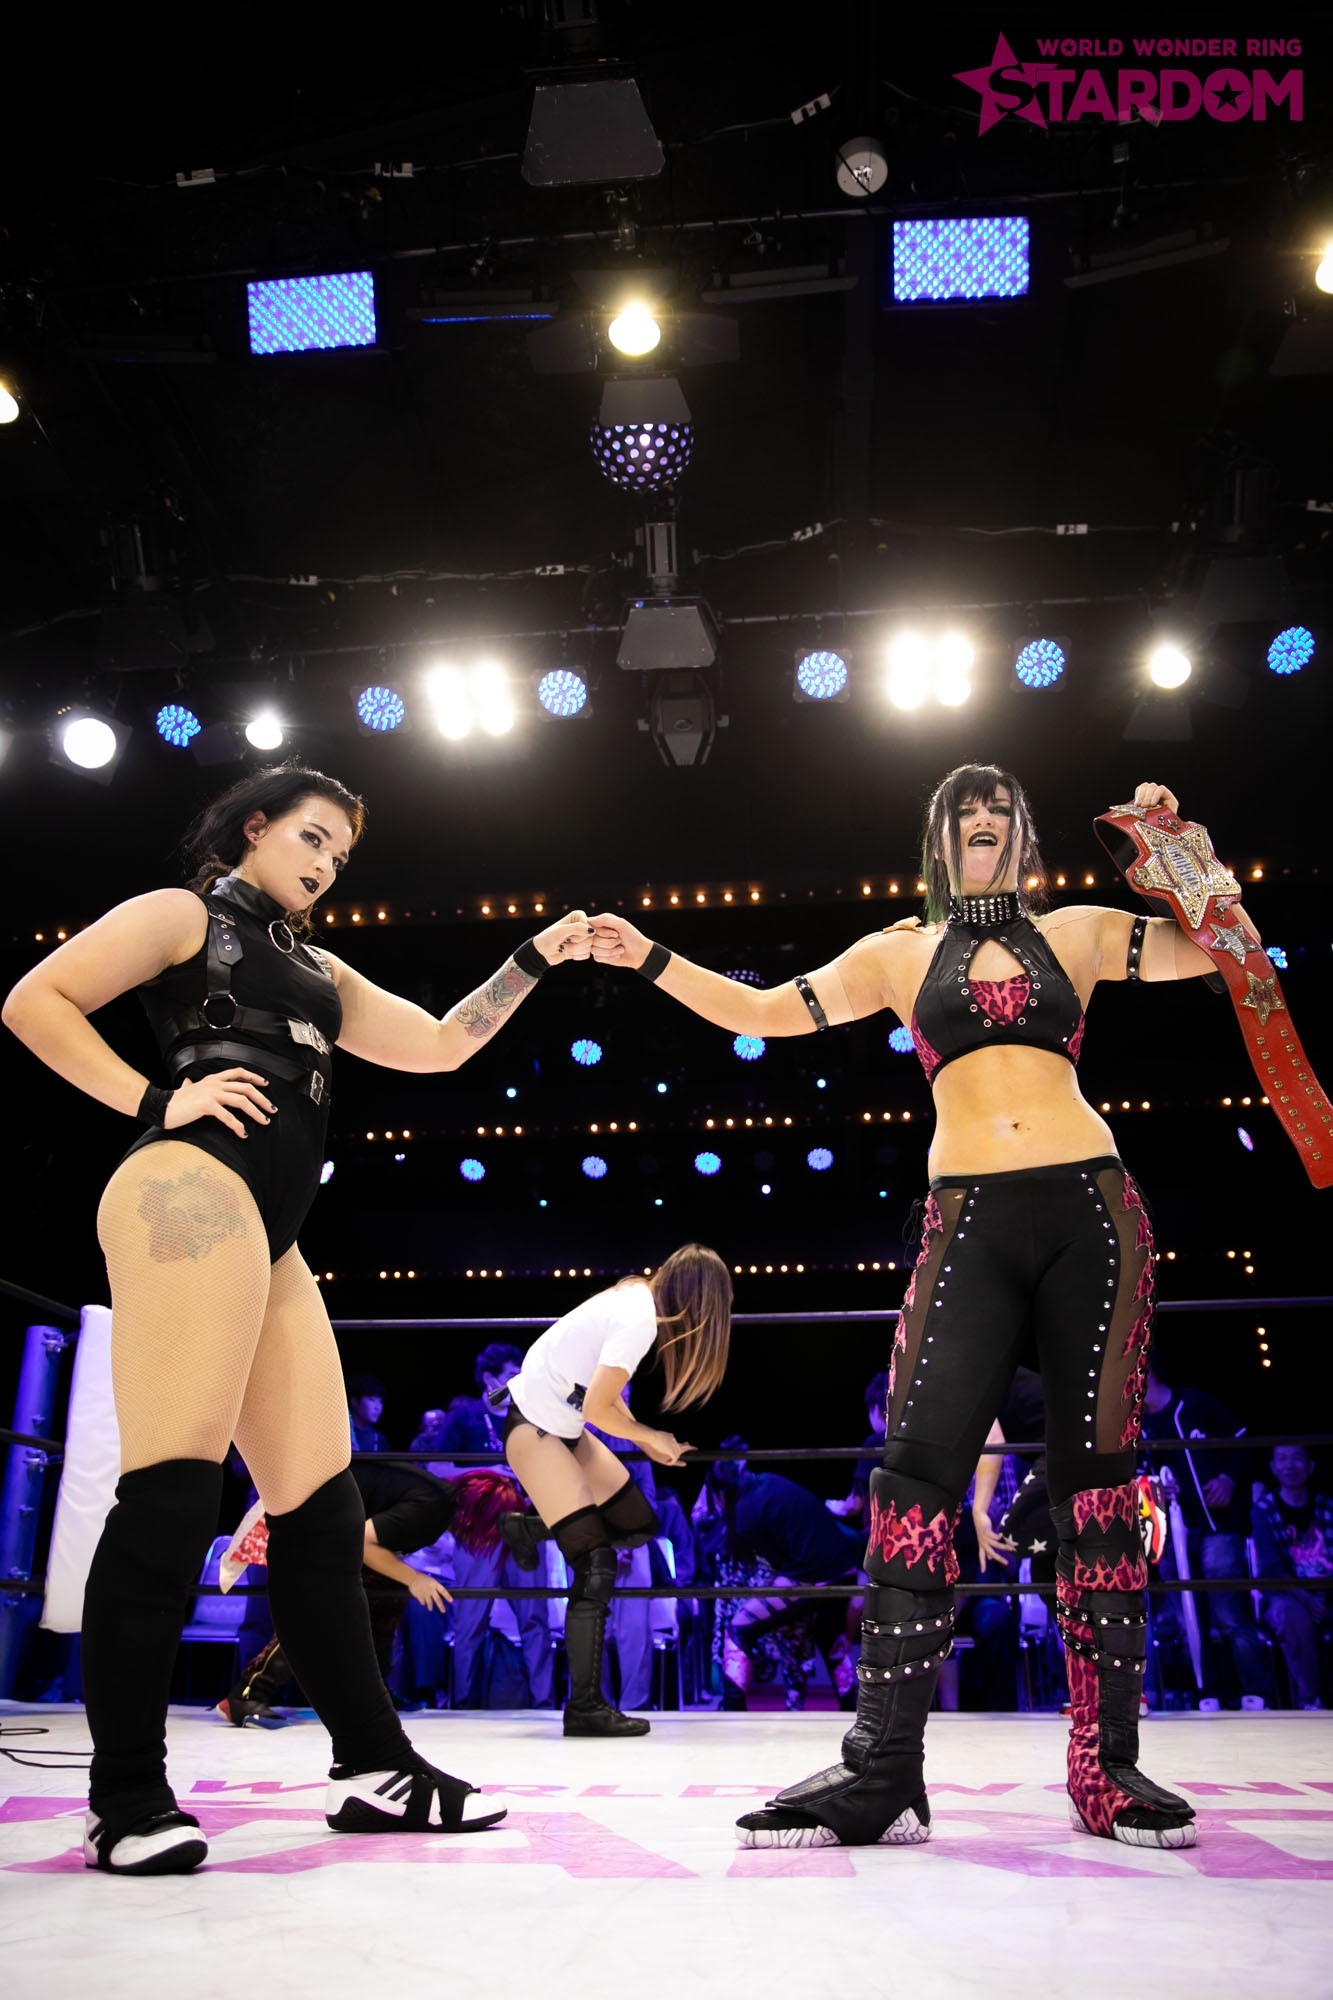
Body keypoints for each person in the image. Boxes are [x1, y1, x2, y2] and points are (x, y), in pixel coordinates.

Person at [592, 767, 1241, 1852]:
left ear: (1023, 838)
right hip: (966, 1214)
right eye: (961, 812)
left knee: (1098, 1480)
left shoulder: (1077, 931)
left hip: (1091, 1209)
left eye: (999, 810)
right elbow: (764, 1009)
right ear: (937, 841)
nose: (981, 821)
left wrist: (1179, 848)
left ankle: (1107, 1765)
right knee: (915, 1471)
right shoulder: (899, 951)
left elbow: (1220, 949)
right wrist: (651, 956)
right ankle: (882, 1767)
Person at [1, 760, 593, 1874]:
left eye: (342, 854)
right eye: (312, 837)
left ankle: (371, 1767)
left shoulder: (320, 968)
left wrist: (532, 957)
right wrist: (158, 1097)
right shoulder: (183, 914)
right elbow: (33, 1000)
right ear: (255, 827)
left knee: (322, 1513)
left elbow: (441, 1043)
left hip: (270, 1234)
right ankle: (124, 1795)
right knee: (173, 1491)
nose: (325, 865)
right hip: (188, 1184)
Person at [496, 1245, 732, 1737]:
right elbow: (599, 1410)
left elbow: (598, 1397)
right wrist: (650, 1436)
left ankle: (532, 1529)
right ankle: (584, 1707)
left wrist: (645, 1440)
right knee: (595, 1563)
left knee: (638, 1525)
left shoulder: (637, 1297)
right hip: (535, 1428)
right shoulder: (638, 1319)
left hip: (563, 1427)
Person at [414, 1343, 554, 1708]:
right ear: (490, 1378)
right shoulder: (464, 1418)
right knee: (470, 1620)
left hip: (525, 1528)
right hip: (478, 1533)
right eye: (511, 1375)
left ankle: (544, 1702)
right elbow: (436, 1469)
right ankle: (463, 1704)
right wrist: (488, 1470)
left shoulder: (532, 1416)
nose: (519, 1380)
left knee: (535, 1619)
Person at [1139, 1360, 1272, 1707]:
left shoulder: (1195, 1403)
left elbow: (1242, 1444)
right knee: (1188, 1617)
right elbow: (1136, 1480)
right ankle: (1206, 1691)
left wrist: (1228, 1479)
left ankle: (1257, 1691)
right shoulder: (1136, 1427)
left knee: (1228, 1613)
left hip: (1218, 1526)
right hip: (1173, 1535)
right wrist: (1155, 1489)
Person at [692, 1444, 865, 1710]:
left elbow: (775, 1568)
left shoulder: (745, 1513)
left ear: (720, 1494)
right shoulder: (768, 1481)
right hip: (846, 1565)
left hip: (815, 1572)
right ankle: (853, 1709)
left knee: (739, 1627)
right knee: (830, 1638)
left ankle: (733, 1708)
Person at [1253, 1445, 1333, 1708]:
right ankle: (1311, 1701)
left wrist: (1322, 1597)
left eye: (1297, 1458)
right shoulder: (1264, 1510)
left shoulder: (1327, 1506)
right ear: (1273, 1467)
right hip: (1285, 1596)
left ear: (1310, 1466)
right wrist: (1307, 1599)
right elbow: (1271, 1568)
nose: (1290, 1466)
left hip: (1326, 1592)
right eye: (1283, 1459)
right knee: (1292, 1617)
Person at [347, 1374, 387, 1454]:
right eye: (372, 1400)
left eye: (380, 1401)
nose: (377, 1407)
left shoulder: (380, 1440)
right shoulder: (341, 1436)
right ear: (354, 1401)